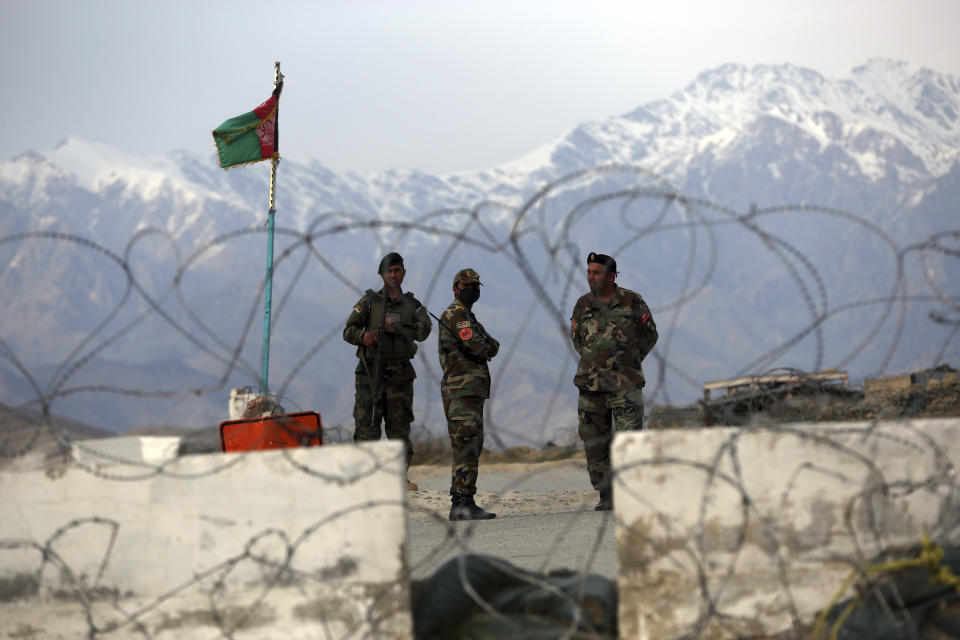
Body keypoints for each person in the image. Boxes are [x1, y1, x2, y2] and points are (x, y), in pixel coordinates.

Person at [570, 252, 658, 511]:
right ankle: (606, 493)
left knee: (630, 442)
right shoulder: (582, 304)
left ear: (611, 276)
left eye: (596, 273)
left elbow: (649, 335)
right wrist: (594, 363)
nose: (590, 277)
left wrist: (628, 362)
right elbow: (577, 339)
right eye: (588, 272)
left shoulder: (632, 301)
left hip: (625, 385)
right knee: (594, 441)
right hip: (590, 387)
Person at [343, 252, 431, 479]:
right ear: (381, 274)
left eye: (397, 270)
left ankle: (399, 477)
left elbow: (424, 331)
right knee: (367, 426)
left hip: (400, 375)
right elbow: (348, 330)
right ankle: (364, 478)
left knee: (399, 428)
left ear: (403, 273)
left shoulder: (412, 305)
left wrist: (400, 328)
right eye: (389, 271)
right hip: (370, 373)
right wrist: (364, 337)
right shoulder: (370, 303)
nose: (393, 275)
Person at [438, 268, 500, 521]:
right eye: (467, 285)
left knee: (472, 444)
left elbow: (492, 344)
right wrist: (485, 344)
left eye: (476, 285)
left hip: (470, 391)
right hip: (461, 391)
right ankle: (462, 502)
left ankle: (465, 500)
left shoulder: (468, 317)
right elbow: (480, 346)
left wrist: (486, 343)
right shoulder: (457, 316)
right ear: (456, 288)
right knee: (465, 445)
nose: (473, 289)